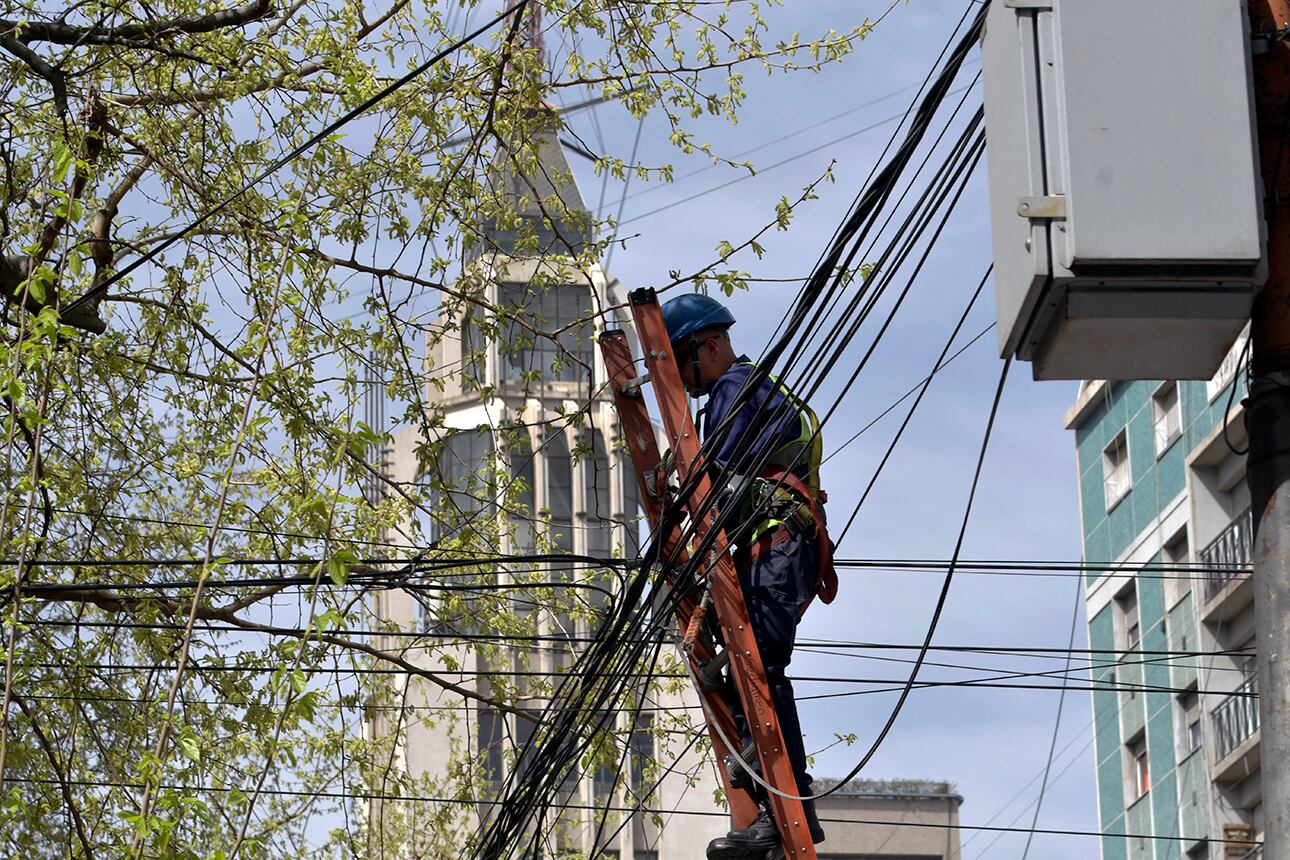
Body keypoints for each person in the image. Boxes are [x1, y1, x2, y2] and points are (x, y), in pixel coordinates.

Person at [659, 293, 837, 859]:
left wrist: (677, 481)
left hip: (776, 544)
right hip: (771, 547)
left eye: (685, 365)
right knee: (738, 669)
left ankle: (782, 803)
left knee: (756, 665)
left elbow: (712, 475)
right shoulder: (740, 392)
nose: (686, 383)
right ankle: (777, 803)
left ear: (709, 346)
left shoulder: (737, 388)